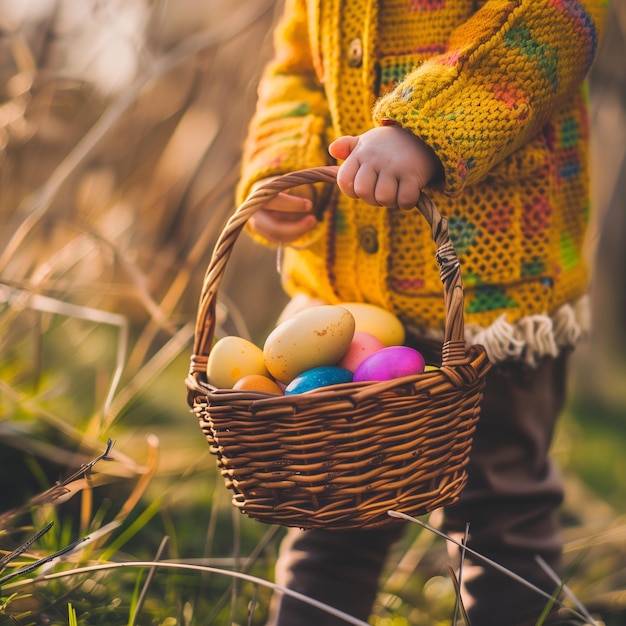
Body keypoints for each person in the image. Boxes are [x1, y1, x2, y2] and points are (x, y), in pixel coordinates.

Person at [235, 1, 607, 624]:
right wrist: (282, 164)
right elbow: (298, 67)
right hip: (345, 302)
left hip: (494, 301)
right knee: (335, 511)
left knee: (501, 513)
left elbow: (554, 18)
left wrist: (425, 127)